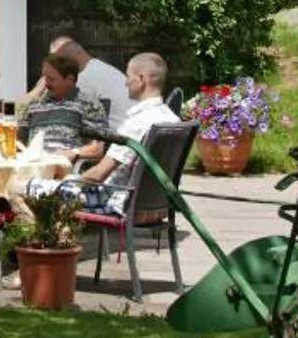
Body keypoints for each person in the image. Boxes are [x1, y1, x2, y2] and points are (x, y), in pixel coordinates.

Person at [59, 53, 183, 212]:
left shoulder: (137, 123)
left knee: (36, 189)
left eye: (128, 76)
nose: (126, 83)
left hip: (117, 203)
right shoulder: (173, 120)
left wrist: (66, 181)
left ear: (141, 79)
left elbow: (98, 175)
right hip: (157, 207)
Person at [28, 36, 130, 127]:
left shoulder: (83, 79)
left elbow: (27, 110)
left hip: (114, 139)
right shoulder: (101, 69)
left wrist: (39, 89)